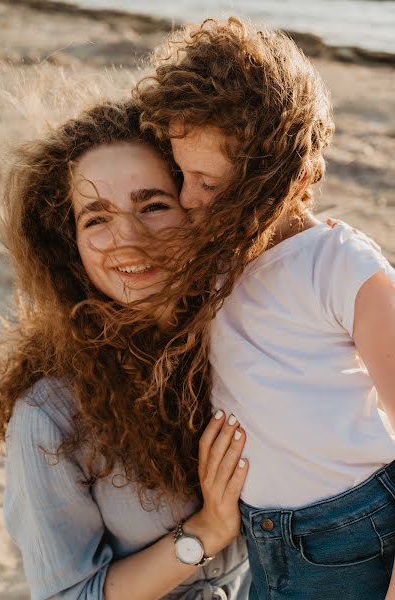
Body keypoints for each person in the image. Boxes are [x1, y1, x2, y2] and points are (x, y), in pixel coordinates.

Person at [136, 17, 395, 599]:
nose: (185, 197)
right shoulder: (219, 258)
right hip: (264, 535)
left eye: (206, 180)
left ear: (270, 178)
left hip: (353, 530)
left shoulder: (337, 262)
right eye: (180, 173)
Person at [0, 100, 251, 599]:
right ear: (69, 244)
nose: (129, 238)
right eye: (96, 218)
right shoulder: (48, 418)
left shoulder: (246, 342)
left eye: (153, 205)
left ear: (198, 211)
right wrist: (206, 531)